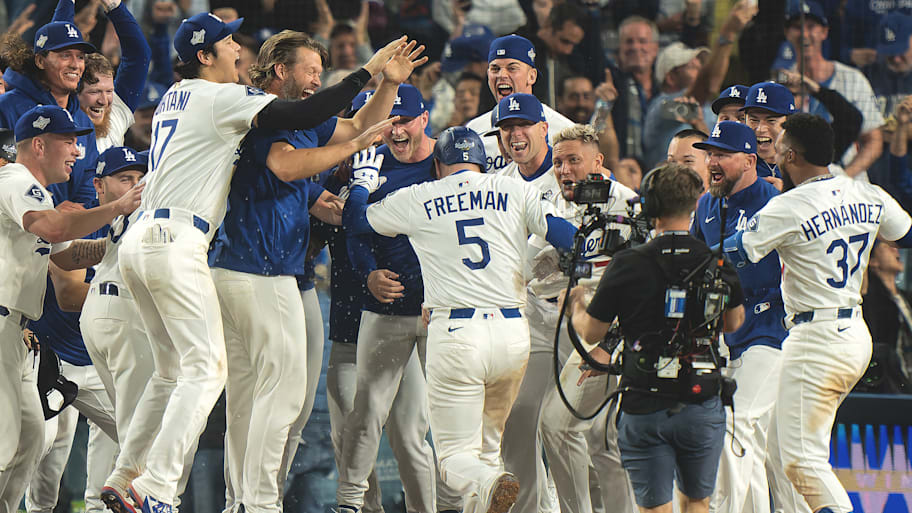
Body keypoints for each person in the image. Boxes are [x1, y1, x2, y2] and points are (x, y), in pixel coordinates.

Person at [99, 11, 417, 510]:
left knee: (181, 376)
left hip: (150, 240)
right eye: (227, 43)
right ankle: (164, 490)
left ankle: (132, 476)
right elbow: (293, 149)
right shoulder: (233, 101)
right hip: (219, 254)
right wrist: (366, 73)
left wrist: (385, 85)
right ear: (205, 56)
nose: (238, 50)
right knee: (224, 378)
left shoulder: (175, 99)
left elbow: (349, 122)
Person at [206, 29, 423, 512]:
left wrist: (388, 85)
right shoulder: (261, 113)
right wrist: (356, 146)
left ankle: (239, 501)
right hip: (260, 270)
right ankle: (260, 503)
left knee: (249, 398)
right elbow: (288, 166)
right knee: (281, 398)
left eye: (320, 74)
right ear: (280, 70)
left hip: (247, 270)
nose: (316, 82)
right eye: (310, 71)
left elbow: (355, 125)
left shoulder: (300, 120)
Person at [342, 126, 577, 513]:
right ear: (483, 163)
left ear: (438, 164)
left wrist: (362, 185)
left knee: (454, 461)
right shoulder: (514, 190)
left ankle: (490, 480)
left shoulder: (421, 195)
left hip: (457, 333)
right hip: (513, 333)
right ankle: (490, 480)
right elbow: (567, 236)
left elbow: (358, 223)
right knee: (487, 448)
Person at [722, 113, 912, 513]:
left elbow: (732, 253)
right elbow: (904, 233)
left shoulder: (787, 205)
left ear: (790, 154)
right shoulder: (866, 191)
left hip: (816, 338)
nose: (773, 147)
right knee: (779, 447)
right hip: (853, 332)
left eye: (779, 144)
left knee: (802, 460)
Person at [565, 162, 745, 513]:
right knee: (697, 502)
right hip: (700, 400)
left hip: (643, 401)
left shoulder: (628, 263)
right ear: (694, 205)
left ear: (649, 208)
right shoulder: (715, 262)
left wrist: (575, 305)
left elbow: (592, 332)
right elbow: (733, 322)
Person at [0, 104, 142, 511]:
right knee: (7, 442)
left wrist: (116, 242)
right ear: (39, 145)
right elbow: (53, 228)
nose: (78, 151)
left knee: (28, 438)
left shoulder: (38, 193)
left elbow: (67, 256)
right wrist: (117, 207)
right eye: (69, 141)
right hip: (2, 322)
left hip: (15, 330)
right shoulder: (15, 180)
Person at [337, 83, 439, 513]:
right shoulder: (366, 163)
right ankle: (348, 505)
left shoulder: (449, 158)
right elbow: (354, 230)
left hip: (440, 311)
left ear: (424, 119)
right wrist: (369, 274)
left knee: (420, 430)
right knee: (366, 415)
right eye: (387, 122)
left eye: (404, 121)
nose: (396, 131)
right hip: (387, 308)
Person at [536, 124, 638, 513]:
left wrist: (612, 344)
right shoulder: (557, 206)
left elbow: (645, 283)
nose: (564, 170)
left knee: (584, 433)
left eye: (573, 161)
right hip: (567, 325)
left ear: (599, 162)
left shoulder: (627, 206)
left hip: (609, 335)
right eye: (558, 162)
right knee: (592, 438)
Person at [688, 121, 787, 513]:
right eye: (710, 153)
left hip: (772, 329)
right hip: (725, 334)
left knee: (735, 422)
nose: (712, 161)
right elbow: (695, 266)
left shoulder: (778, 202)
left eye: (722, 155)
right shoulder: (706, 203)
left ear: (749, 160)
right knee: (754, 444)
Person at [486, 91, 561, 513]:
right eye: (506, 129)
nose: (514, 135)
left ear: (543, 129)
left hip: (576, 319)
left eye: (523, 126)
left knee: (569, 429)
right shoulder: (500, 187)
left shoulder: (569, 170)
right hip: (525, 320)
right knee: (518, 425)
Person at [783, 0, 884, 177]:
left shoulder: (852, 78)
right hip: (802, 186)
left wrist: (843, 178)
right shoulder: (783, 87)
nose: (805, 34)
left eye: (811, 26)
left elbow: (874, 141)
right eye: (797, 27)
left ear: (824, 31)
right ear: (787, 33)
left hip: (849, 184)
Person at [465, 34, 574, 172]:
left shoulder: (565, 131)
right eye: (495, 69)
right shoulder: (474, 130)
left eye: (512, 68)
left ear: (531, 76)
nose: (501, 75)